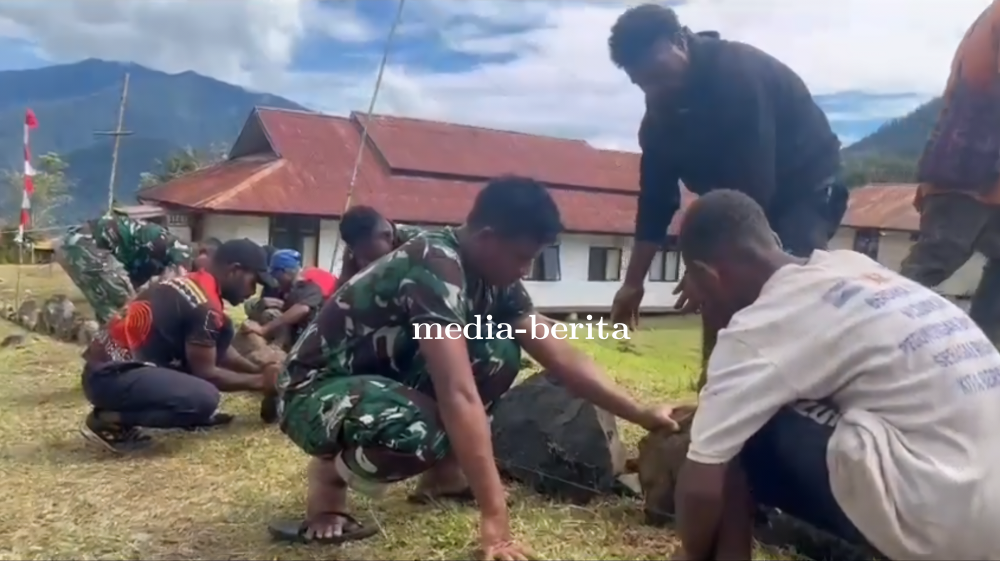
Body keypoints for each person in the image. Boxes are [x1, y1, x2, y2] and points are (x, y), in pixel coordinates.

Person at [271, 177, 678, 555]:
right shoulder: (435, 265)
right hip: (314, 389)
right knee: (421, 431)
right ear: (487, 238)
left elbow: (560, 353)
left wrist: (641, 414)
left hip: (380, 378)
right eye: (522, 257)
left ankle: (443, 478)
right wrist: (495, 516)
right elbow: (458, 393)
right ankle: (330, 477)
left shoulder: (492, 273)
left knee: (496, 352)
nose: (524, 270)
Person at [669, 190, 1000, 560]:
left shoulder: (756, 329)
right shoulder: (852, 266)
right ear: (774, 240)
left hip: (949, 526)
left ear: (706, 274)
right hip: (988, 508)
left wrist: (691, 552)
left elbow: (701, 487)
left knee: (737, 426)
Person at [605, 4, 847, 327]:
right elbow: (655, 203)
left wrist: (711, 261)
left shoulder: (737, 75)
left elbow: (754, 181)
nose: (655, 90)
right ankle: (721, 376)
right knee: (719, 291)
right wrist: (633, 283)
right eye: (644, 83)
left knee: (788, 291)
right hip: (739, 203)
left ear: (680, 40)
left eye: (659, 74)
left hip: (802, 191)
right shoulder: (659, 122)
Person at [79, 238, 283, 453]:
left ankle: (187, 412)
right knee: (203, 398)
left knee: (224, 329)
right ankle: (109, 420)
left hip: (106, 370)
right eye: (254, 282)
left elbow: (214, 349)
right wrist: (261, 382)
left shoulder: (194, 284)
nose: (253, 292)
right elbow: (207, 373)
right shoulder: (206, 307)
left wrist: (257, 370)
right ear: (235, 270)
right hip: (110, 378)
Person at [899, 0, 1000, 344]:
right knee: (935, 261)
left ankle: (986, 349)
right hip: (970, 170)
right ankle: (875, 332)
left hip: (978, 170)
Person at [56, 209, 192, 324]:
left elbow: (142, 285)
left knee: (109, 306)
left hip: (73, 246)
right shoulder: (180, 251)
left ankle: (109, 342)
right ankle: (120, 342)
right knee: (125, 304)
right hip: (86, 243)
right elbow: (170, 285)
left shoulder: (154, 260)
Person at [241, 249, 337, 349]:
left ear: (286, 272)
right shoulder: (290, 289)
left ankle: (278, 349)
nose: (275, 279)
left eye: (276, 274)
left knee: (274, 315)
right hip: (299, 335)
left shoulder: (309, 285)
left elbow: (302, 309)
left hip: (315, 340)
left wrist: (264, 329)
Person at [338, 205, 424, 284]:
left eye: (369, 261)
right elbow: (343, 291)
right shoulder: (354, 248)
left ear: (386, 236)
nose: (364, 265)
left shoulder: (419, 243)